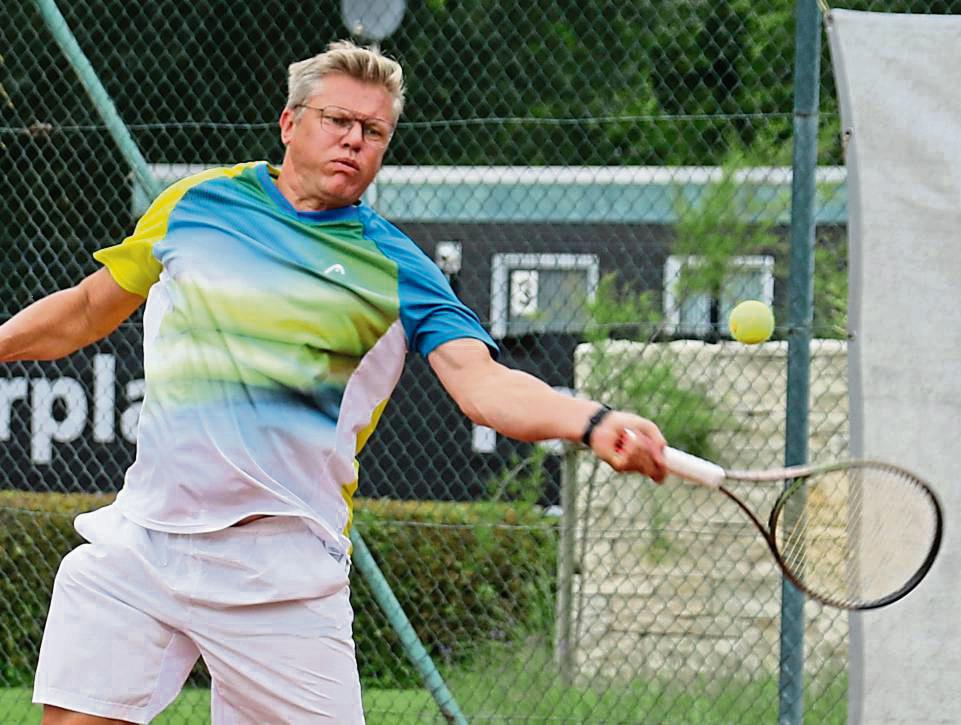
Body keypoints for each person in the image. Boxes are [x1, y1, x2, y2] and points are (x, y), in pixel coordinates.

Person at [0, 41, 668, 724]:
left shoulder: (396, 266)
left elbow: (482, 384)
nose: (354, 140)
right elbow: (88, 307)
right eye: (337, 120)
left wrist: (590, 419)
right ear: (291, 123)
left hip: (281, 571)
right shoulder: (196, 204)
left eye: (373, 131)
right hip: (145, 538)